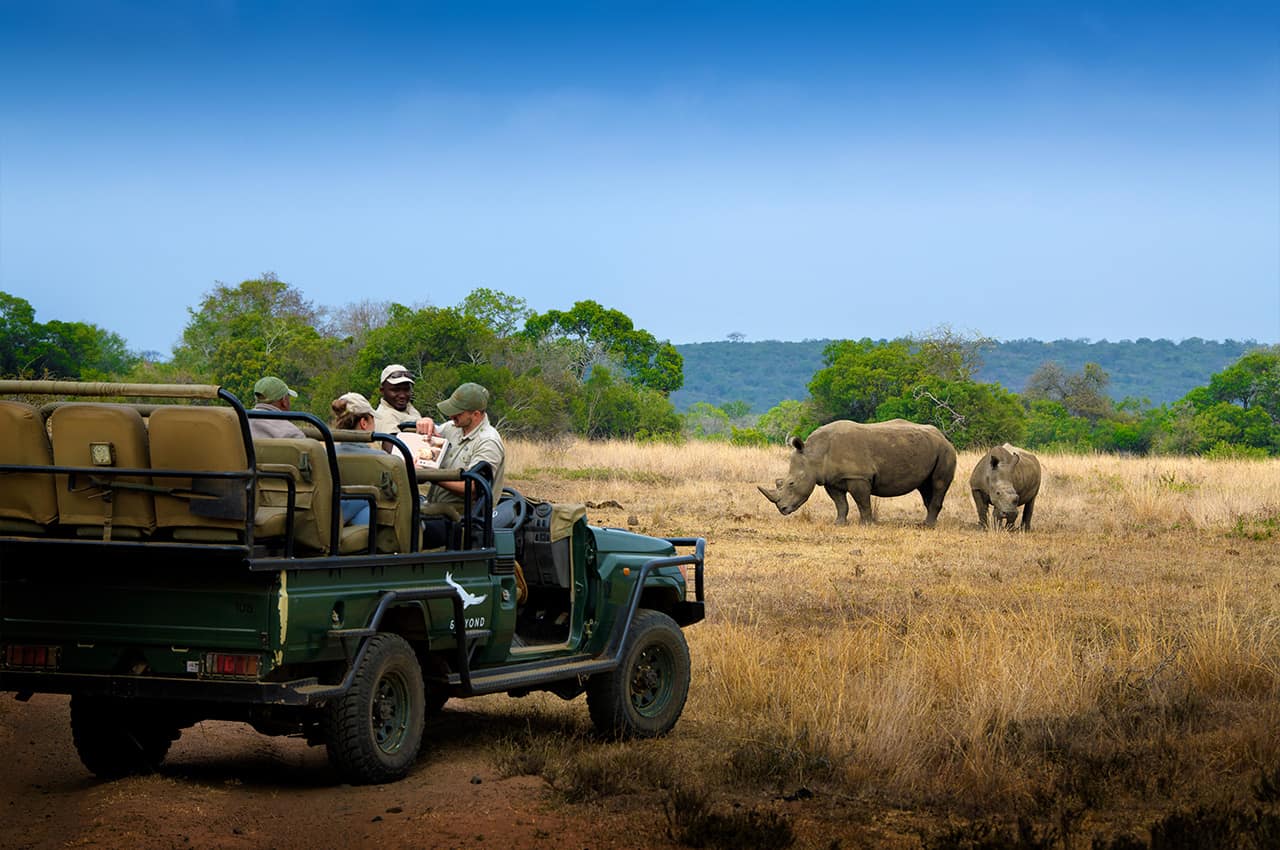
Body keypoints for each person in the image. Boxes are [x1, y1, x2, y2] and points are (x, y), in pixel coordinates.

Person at [418, 382, 505, 511]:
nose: (451, 416)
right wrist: (426, 422)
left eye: (457, 413)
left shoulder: (488, 442)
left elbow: (473, 488)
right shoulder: (452, 427)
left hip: (465, 516)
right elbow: (429, 435)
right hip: (436, 507)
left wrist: (430, 475)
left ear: (475, 415)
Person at [330, 392, 379, 528]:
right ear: (364, 423)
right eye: (373, 420)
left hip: (331, 520)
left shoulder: (324, 455)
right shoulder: (381, 459)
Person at [372, 364, 423, 434]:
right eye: (395, 390)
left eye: (406, 389)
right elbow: (391, 444)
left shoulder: (408, 407)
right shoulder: (385, 417)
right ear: (382, 391)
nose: (402, 395)